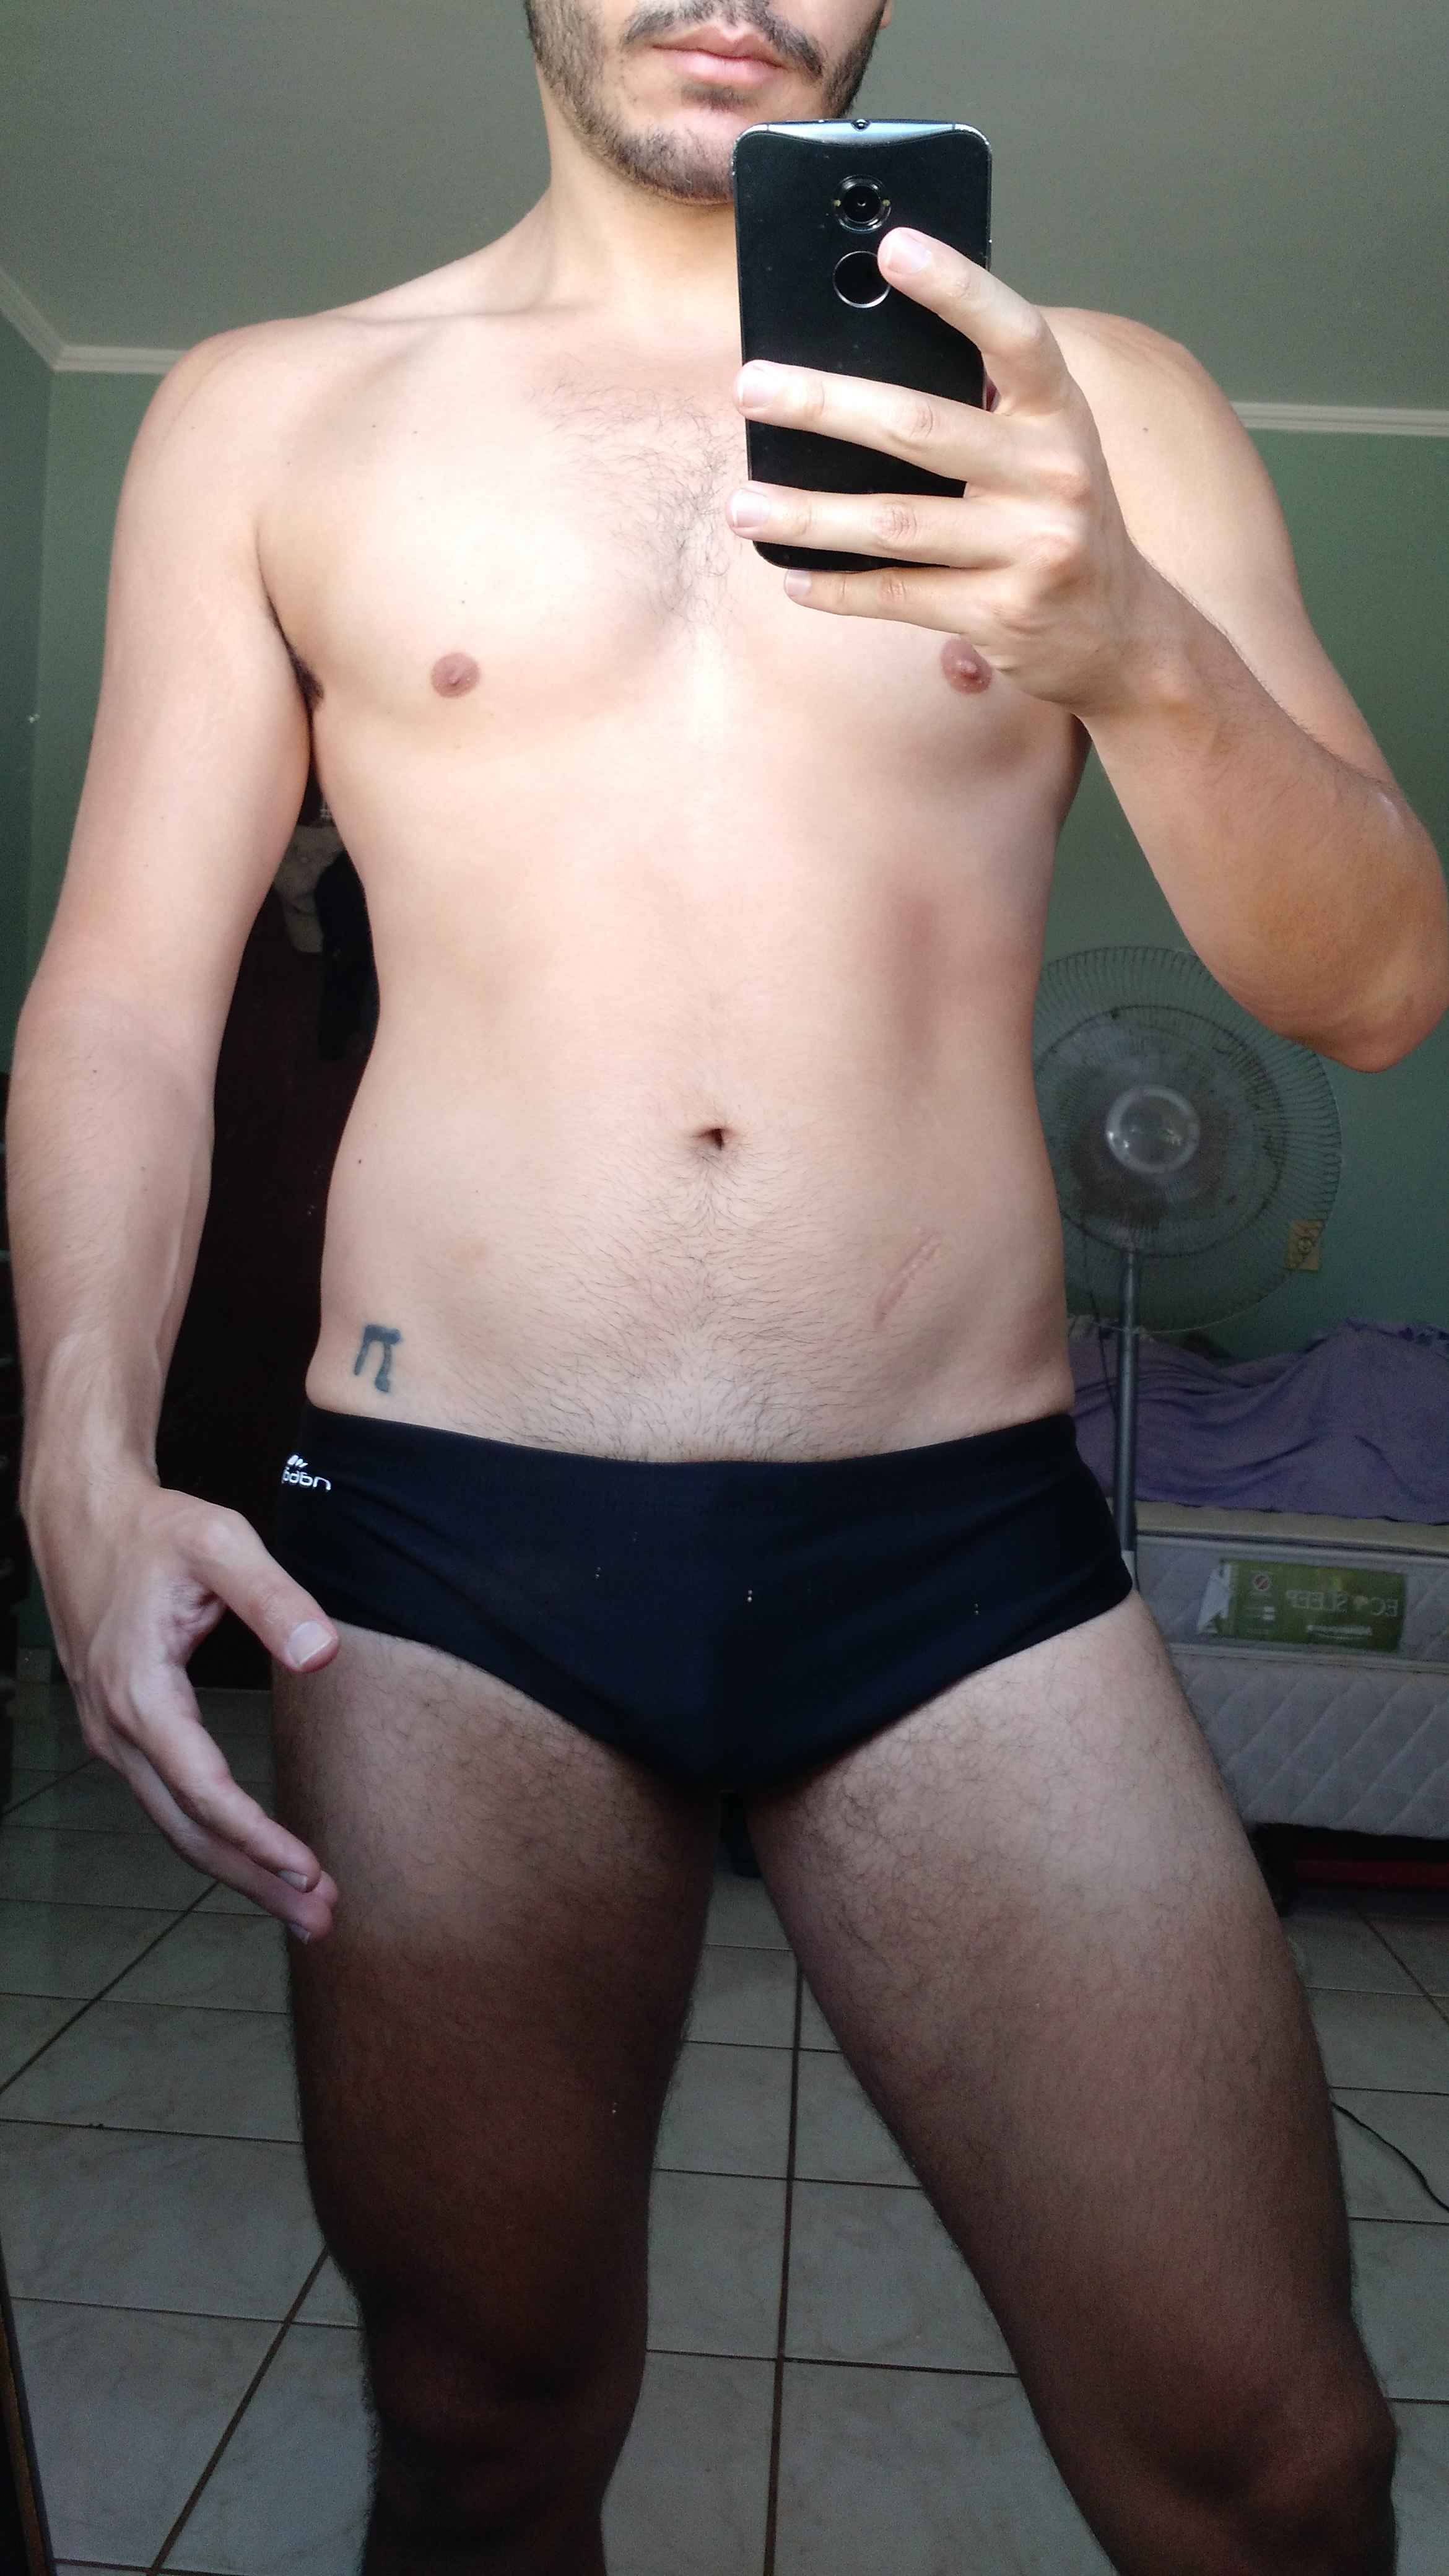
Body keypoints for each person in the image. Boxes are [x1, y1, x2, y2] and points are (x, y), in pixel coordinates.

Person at [9, 4, 1445, 2569]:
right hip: (441, 1563)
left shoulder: (1104, 403)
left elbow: (1373, 988)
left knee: (1281, 2465)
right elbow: (127, 989)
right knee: (480, 2432)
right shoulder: (269, 412)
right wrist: (80, 1456)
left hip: (957, 1549)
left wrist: (1137, 642)